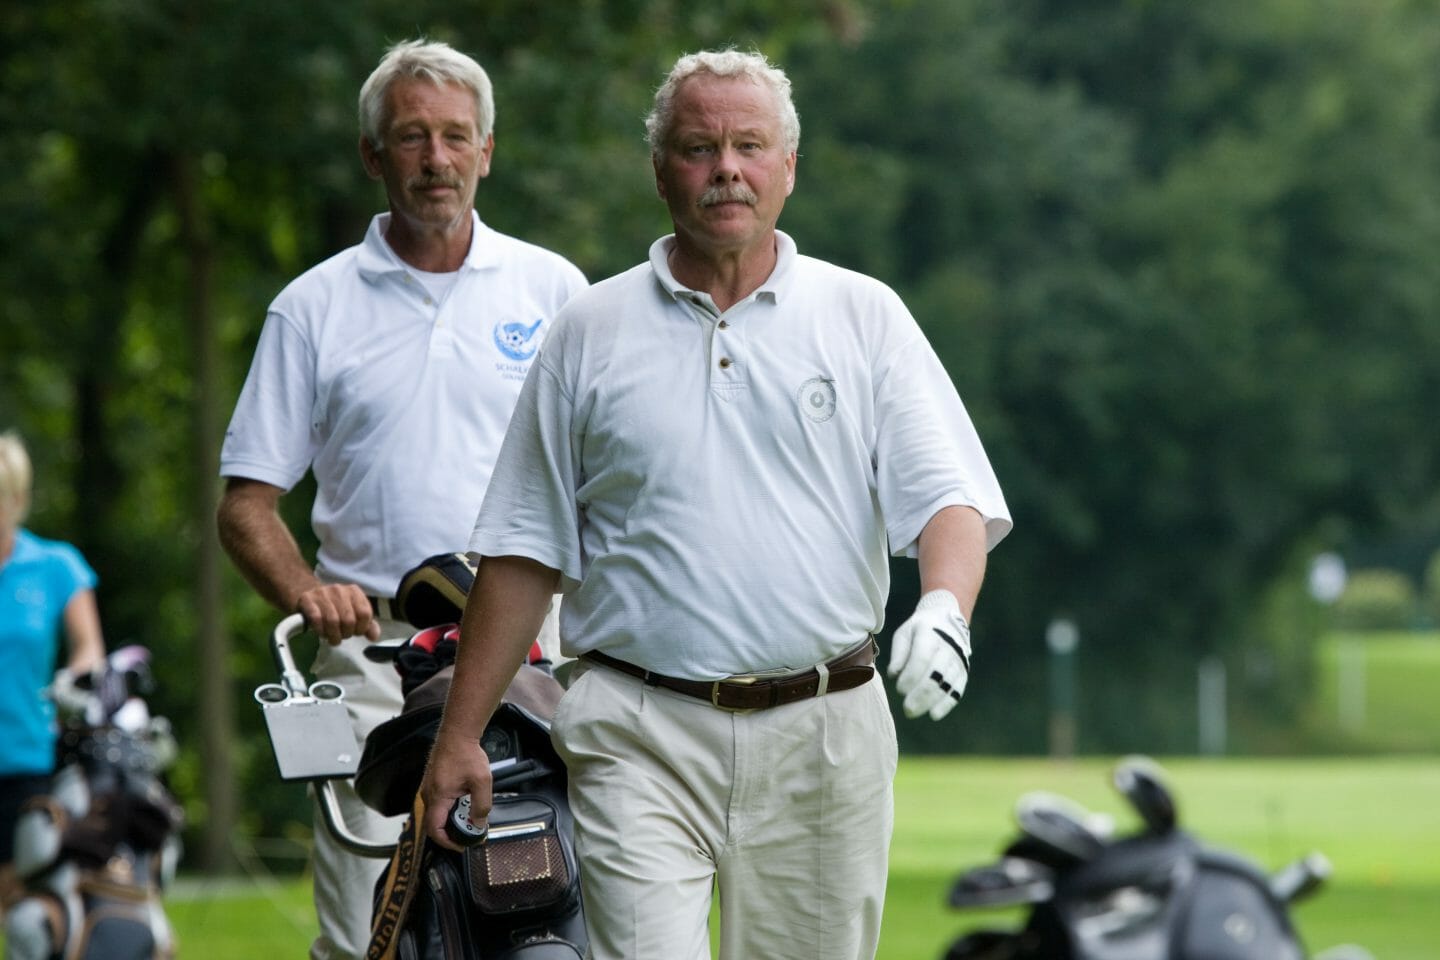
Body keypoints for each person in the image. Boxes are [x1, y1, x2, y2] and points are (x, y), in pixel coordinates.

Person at [419, 48, 1011, 960]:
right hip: (639, 732)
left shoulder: (863, 316)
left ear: (788, 168)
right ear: (662, 171)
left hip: (825, 732)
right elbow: (527, 547)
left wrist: (944, 608)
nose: (726, 168)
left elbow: (947, 501)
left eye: (749, 145)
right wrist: (459, 735)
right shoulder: (589, 332)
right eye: (699, 148)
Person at [216, 39, 587, 960]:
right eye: (412, 137)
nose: (437, 158)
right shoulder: (314, 307)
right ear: (373, 156)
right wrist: (307, 590)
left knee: (550, 917)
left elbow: (610, 486)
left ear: (488, 150)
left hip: (541, 653)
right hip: (373, 652)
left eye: (457, 137)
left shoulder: (557, 292)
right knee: (366, 934)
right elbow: (245, 505)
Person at [0, 431, 106, 906]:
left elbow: (89, 649)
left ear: (17, 500)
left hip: (28, 758)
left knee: (24, 902)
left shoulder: (55, 565)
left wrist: (72, 681)